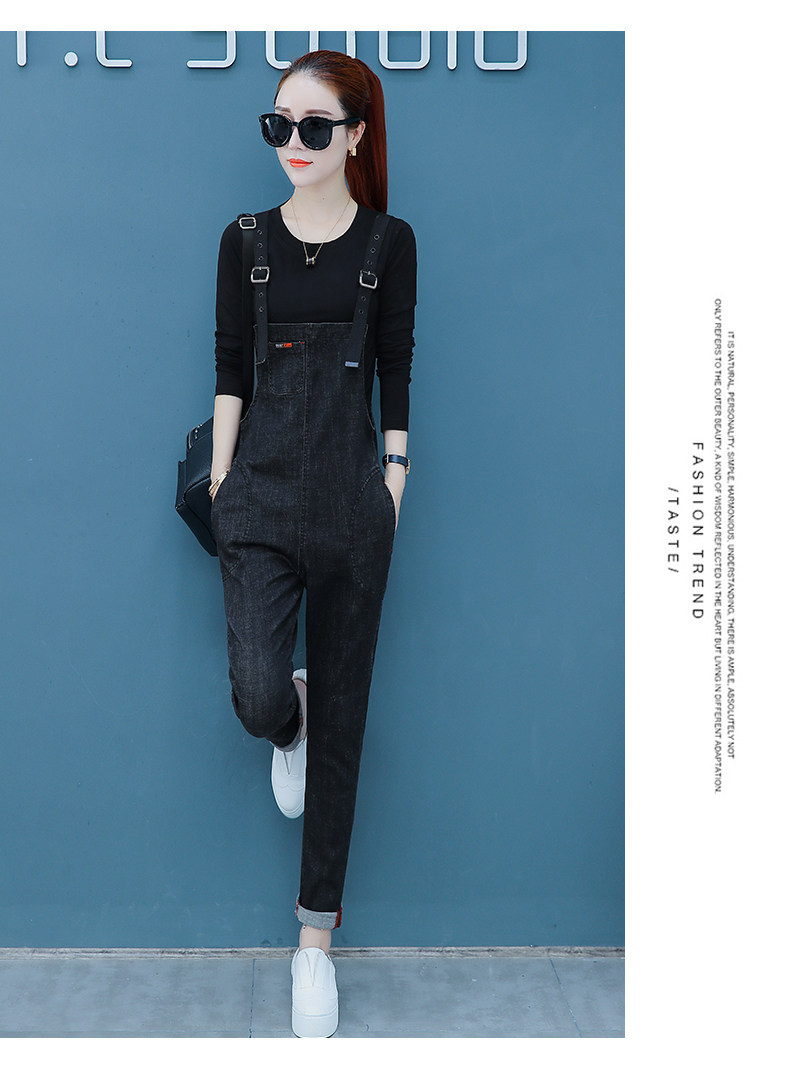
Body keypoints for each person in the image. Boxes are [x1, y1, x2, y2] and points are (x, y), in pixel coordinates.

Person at [208, 50, 416, 1037]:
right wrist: (222, 482)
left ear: (356, 136)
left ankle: (313, 941)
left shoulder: (388, 242)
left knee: (346, 723)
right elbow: (229, 368)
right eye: (278, 125)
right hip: (256, 496)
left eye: (314, 127)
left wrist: (395, 479)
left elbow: (396, 366)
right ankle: (283, 719)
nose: (293, 143)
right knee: (259, 693)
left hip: (351, 501)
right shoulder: (243, 239)